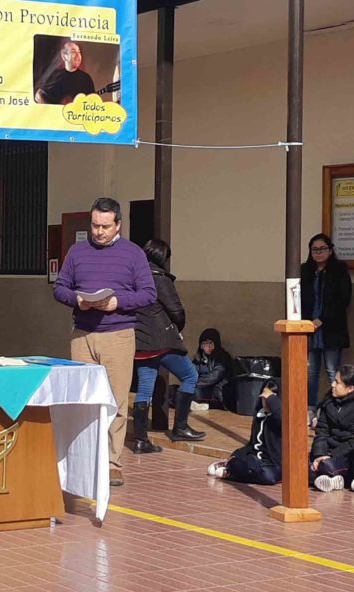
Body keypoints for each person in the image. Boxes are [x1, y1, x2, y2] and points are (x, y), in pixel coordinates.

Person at [53, 198, 156, 487]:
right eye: (95, 225)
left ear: (118, 225)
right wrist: (77, 299)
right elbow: (60, 288)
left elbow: (148, 293)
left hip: (118, 335)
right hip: (82, 335)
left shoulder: (133, 254)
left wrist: (117, 302)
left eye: (105, 226)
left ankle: (112, 462)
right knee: (82, 398)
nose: (99, 232)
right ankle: (82, 457)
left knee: (116, 400)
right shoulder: (77, 252)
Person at [132, 239, 204, 447]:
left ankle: (140, 440)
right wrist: (176, 329)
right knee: (190, 375)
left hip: (140, 342)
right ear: (162, 257)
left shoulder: (133, 277)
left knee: (145, 388)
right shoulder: (160, 279)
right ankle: (180, 427)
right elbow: (176, 311)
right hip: (162, 340)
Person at [300, 233, 353, 407]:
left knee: (332, 371)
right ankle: (309, 408)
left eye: (322, 249)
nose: (318, 253)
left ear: (330, 250)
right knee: (310, 372)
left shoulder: (339, 270)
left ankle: (337, 407)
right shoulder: (305, 270)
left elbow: (343, 300)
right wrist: (307, 321)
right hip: (309, 328)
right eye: (314, 249)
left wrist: (322, 320)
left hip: (331, 328)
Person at [310, 365, 354, 493]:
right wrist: (320, 454)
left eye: (337, 382)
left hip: (349, 455)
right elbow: (322, 431)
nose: (332, 385)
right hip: (327, 451)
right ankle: (332, 479)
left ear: (350, 388)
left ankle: (334, 477)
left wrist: (331, 455)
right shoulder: (329, 401)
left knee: (326, 466)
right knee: (299, 468)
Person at [206, 381, 282, 485]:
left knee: (269, 476)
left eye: (271, 398)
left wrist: (271, 398)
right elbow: (253, 444)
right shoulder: (260, 416)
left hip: (272, 464)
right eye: (264, 398)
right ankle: (232, 468)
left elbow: (281, 417)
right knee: (239, 463)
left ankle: (232, 474)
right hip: (256, 462)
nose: (266, 401)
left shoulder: (281, 419)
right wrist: (237, 454)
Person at [35, 40, 96, 104]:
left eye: (79, 52)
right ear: (64, 56)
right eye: (73, 52)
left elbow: (91, 102)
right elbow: (38, 96)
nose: (78, 56)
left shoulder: (86, 78)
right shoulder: (55, 75)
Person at [191, 328, 237, 411]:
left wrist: (195, 384)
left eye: (211, 343)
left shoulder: (223, 357)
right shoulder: (198, 359)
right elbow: (191, 373)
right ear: (201, 345)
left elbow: (215, 376)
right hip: (203, 388)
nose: (209, 346)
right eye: (206, 343)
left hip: (219, 390)